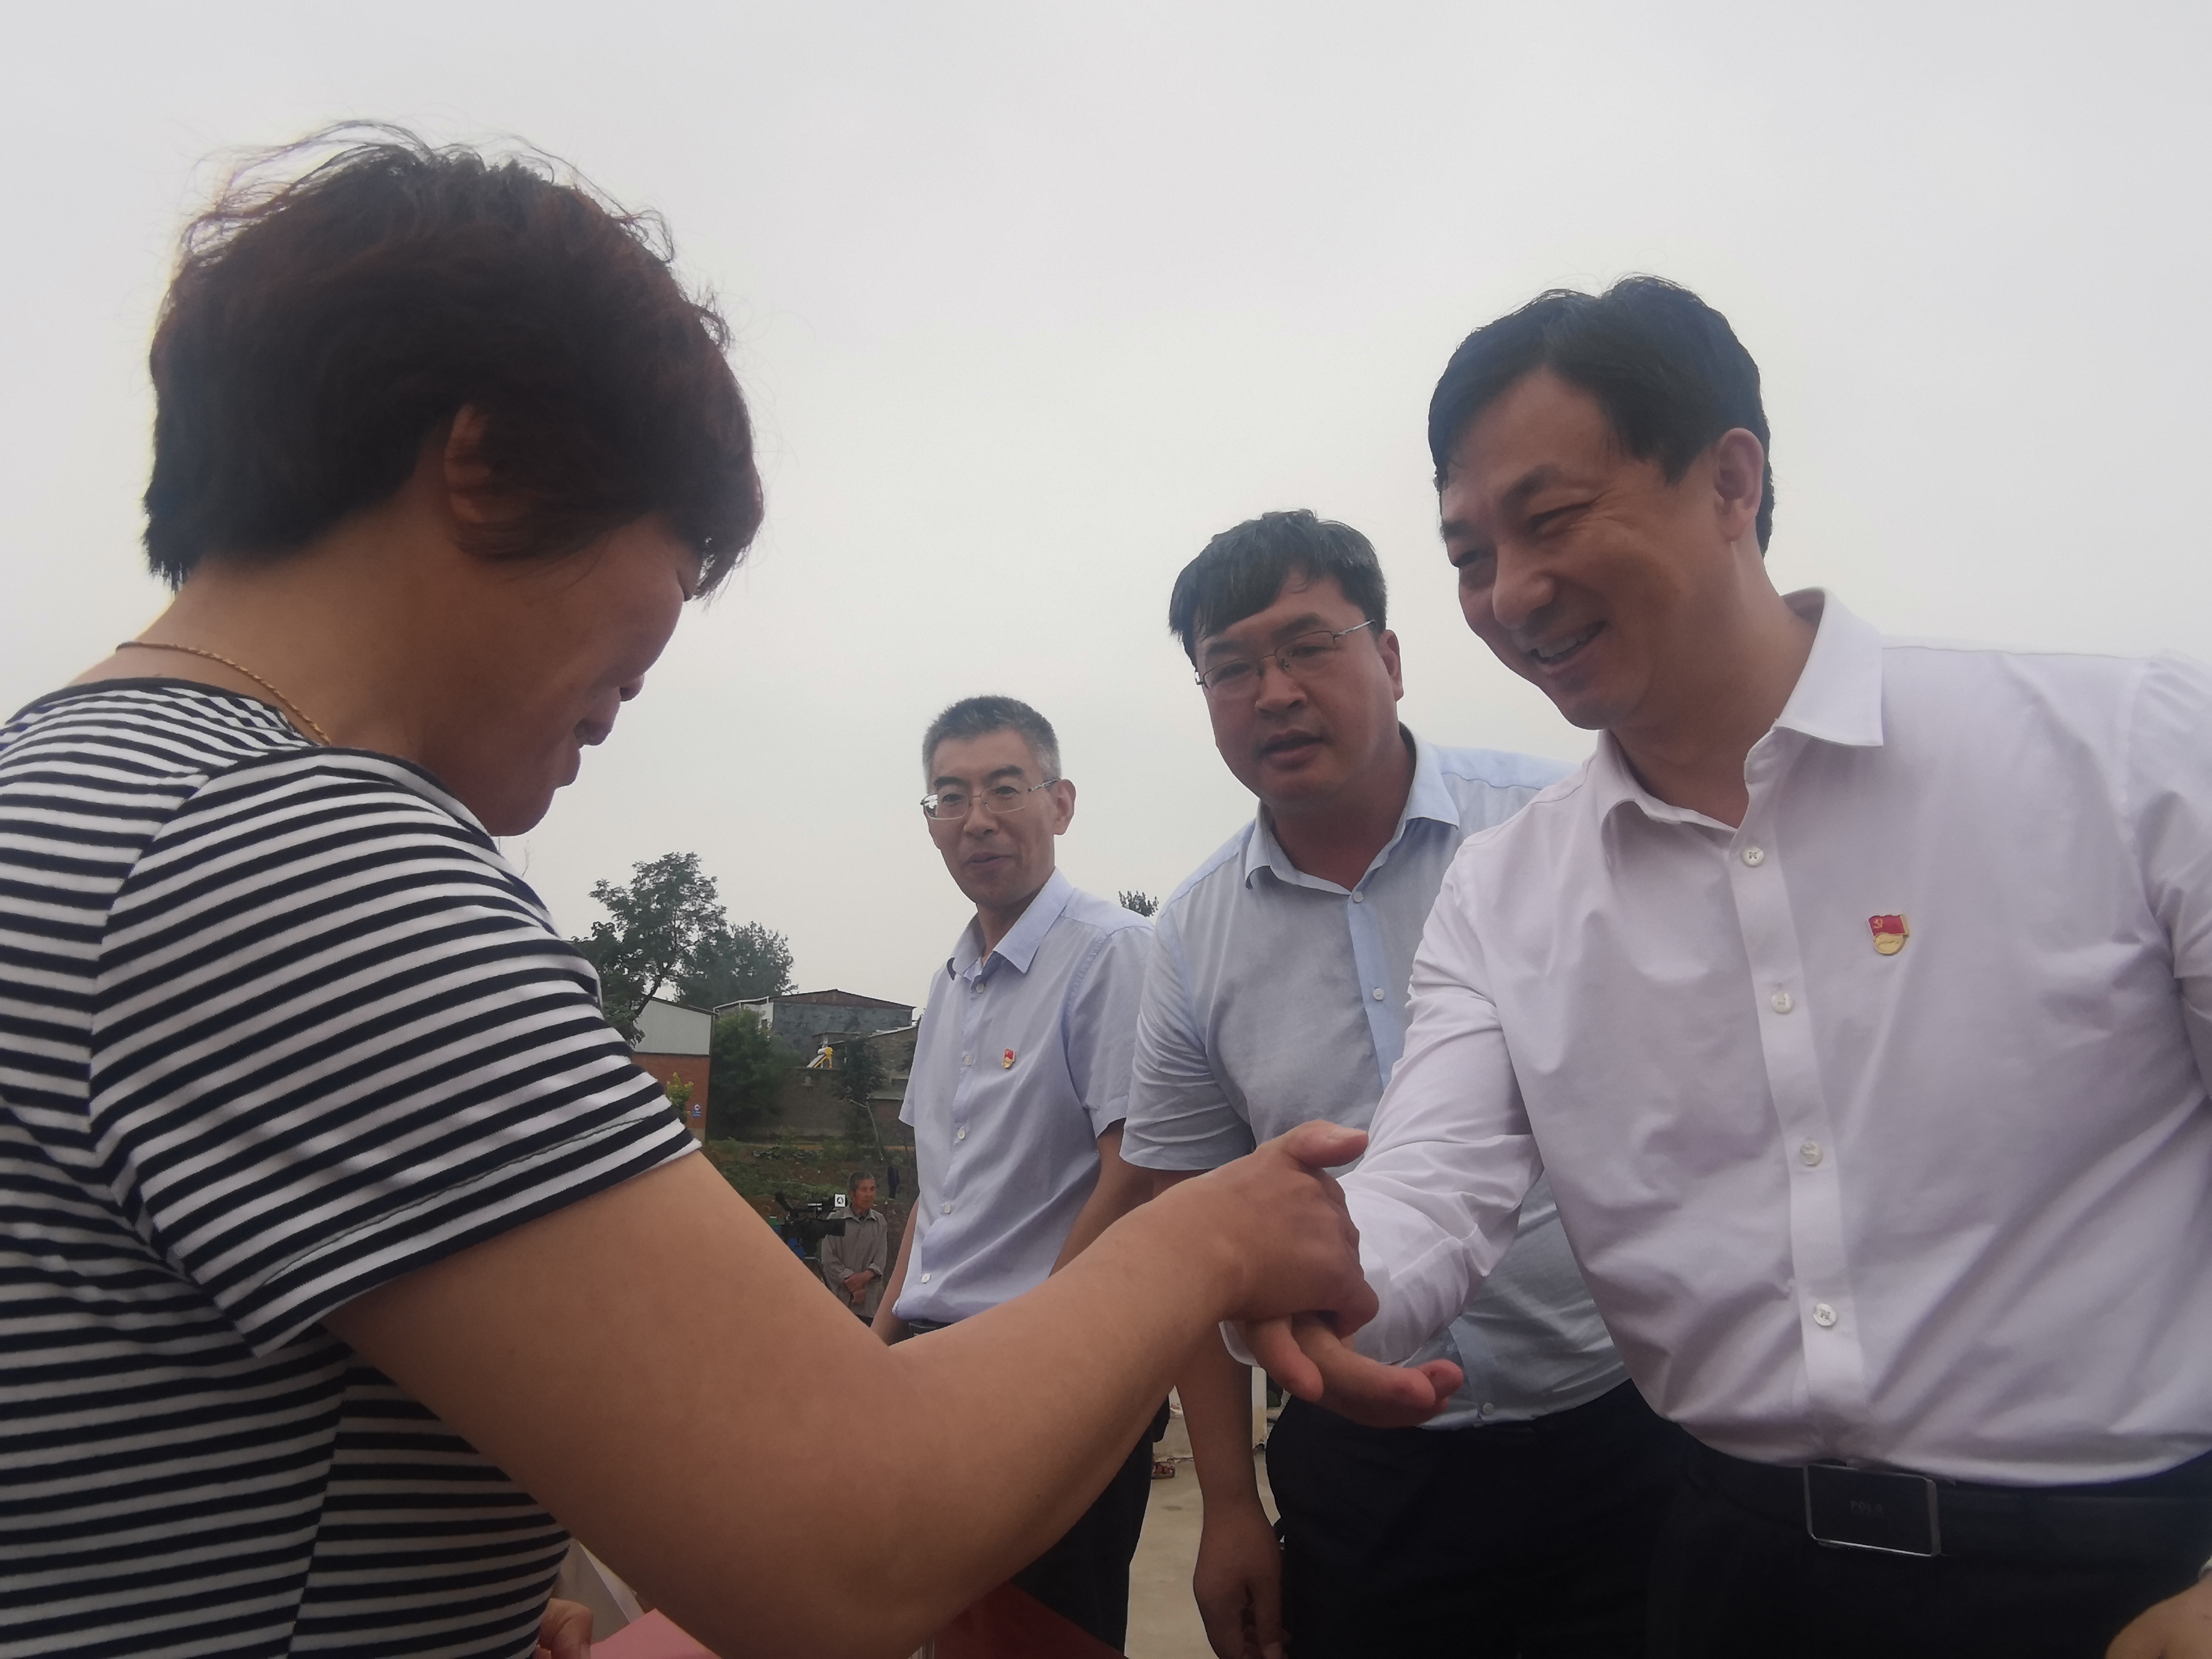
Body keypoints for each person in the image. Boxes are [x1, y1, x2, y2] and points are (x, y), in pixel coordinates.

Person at [0, 128, 1388, 1659]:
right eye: (678, 560)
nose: (655, 660)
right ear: (486, 468)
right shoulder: (298, 858)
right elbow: (847, 1547)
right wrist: (1209, 1242)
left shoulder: (72, 794)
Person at [1237, 276, 2212, 1659]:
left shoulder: (2124, 756)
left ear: (1731, 479)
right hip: (1728, 1569)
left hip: (2135, 1576)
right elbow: (1430, 1186)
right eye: (1469, 554)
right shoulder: (1507, 895)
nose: (1511, 594)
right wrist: (1312, 1276)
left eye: (1551, 519)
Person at [1097, 508, 1683, 1658]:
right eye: (1231, 666)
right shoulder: (1193, 938)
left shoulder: (1555, 831)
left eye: (1308, 646)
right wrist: (1229, 1506)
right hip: (1363, 1472)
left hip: (1621, 1428)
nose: (1274, 692)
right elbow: (1189, 1230)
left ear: (1392, 657)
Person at [872, 695, 1164, 1650]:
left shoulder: (1111, 955)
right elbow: (940, 1191)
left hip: (1052, 1382)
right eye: (950, 798)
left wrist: (1028, 1358)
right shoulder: (950, 981)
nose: (977, 820)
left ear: (1060, 803)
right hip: (933, 1370)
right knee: (951, 1633)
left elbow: (1137, 1176)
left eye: (1005, 789)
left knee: (1042, 1634)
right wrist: (877, 1348)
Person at [820, 1172, 890, 1319]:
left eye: (872, 1189)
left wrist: (863, 1279)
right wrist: (853, 1284)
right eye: (864, 1190)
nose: (869, 1195)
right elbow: (828, 1258)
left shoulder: (880, 1222)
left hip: (868, 1305)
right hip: (837, 1299)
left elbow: (880, 1260)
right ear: (852, 1193)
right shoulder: (835, 1220)